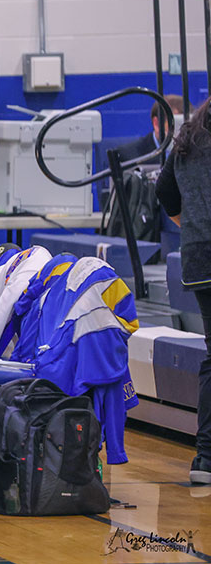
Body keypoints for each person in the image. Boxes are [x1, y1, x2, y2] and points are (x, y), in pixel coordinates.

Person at [155, 97, 211, 485]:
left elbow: (164, 192)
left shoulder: (189, 138)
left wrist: (189, 225)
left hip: (200, 257)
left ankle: (206, 458)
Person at [117, 94, 185, 164]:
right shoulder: (130, 157)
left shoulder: (194, 153)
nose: (181, 131)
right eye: (176, 123)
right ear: (157, 124)